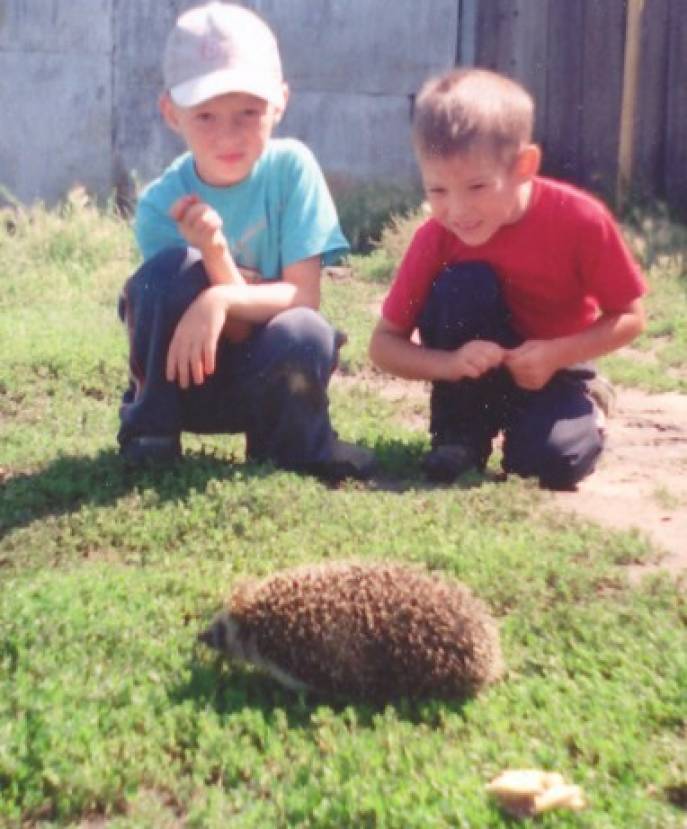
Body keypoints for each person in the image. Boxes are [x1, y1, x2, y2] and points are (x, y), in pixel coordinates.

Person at [117, 1, 375, 481]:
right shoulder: (161, 205)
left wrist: (218, 289)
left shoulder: (292, 170)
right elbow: (206, 323)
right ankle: (150, 435)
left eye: (248, 113)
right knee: (166, 273)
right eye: (206, 116)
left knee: (305, 329)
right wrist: (211, 262)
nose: (228, 135)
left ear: (280, 103)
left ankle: (292, 449)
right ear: (171, 113)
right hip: (189, 381)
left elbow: (303, 296)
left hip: (268, 377)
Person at [369, 68, 646, 490]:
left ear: (523, 165)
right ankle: (460, 434)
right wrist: (450, 364)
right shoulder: (436, 237)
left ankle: (588, 401)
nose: (457, 210)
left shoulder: (580, 220)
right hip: (468, 378)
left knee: (552, 463)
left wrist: (556, 354)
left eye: (477, 187)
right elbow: (384, 345)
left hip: (554, 368)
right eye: (438, 190)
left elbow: (630, 316)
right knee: (464, 283)